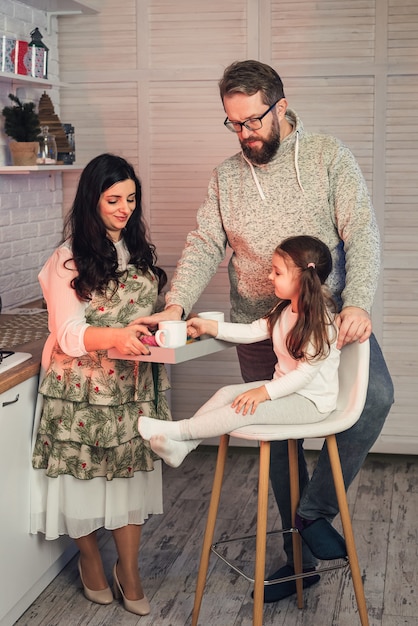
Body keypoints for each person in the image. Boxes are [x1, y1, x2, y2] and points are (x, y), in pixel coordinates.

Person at [137, 60, 394, 602]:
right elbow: (206, 241)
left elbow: (363, 235)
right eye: (233, 124)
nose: (245, 135)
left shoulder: (328, 157)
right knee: (279, 443)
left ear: (280, 105)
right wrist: (177, 303)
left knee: (373, 401)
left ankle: (314, 511)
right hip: (261, 326)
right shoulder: (227, 176)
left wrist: (361, 304)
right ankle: (297, 563)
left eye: (253, 121)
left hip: (331, 322)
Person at [30, 153, 171, 616]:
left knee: (130, 486)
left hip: (132, 389)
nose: (124, 208)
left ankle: (128, 572)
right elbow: (69, 334)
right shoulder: (66, 260)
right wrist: (117, 337)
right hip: (81, 392)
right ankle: (91, 560)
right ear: (92, 199)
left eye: (131, 199)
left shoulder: (137, 253)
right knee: (84, 484)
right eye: (113, 199)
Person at [139, 235, 340, 472]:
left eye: (277, 273)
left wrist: (263, 392)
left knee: (244, 409)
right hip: (286, 392)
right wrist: (210, 327)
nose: (269, 277)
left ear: (302, 278)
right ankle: (184, 448)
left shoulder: (320, 321)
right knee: (227, 393)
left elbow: (305, 375)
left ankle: (178, 430)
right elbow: (254, 330)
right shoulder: (286, 308)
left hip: (311, 402)